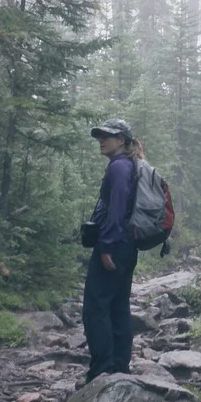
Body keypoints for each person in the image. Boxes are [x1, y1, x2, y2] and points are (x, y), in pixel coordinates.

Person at [82, 118, 142, 379]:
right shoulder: (128, 165)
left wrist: (106, 245)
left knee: (95, 308)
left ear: (121, 141)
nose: (101, 140)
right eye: (100, 136)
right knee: (118, 306)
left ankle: (101, 371)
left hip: (114, 245)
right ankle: (119, 368)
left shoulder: (118, 167)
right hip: (127, 245)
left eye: (107, 136)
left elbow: (117, 209)